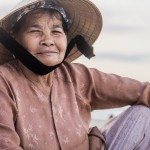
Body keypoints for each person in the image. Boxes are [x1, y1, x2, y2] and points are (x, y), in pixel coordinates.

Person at [0, 0, 150, 149]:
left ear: (67, 38)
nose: (48, 40)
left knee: (144, 114)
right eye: (35, 31)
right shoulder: (4, 82)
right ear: (14, 38)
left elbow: (143, 91)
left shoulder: (77, 77)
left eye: (56, 31)